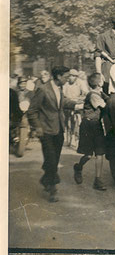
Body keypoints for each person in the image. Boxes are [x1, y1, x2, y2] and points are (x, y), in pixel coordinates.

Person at [27, 66, 82, 202]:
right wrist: (37, 127)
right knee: (51, 159)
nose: (68, 78)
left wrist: (79, 104)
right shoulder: (43, 89)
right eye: (66, 76)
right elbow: (32, 111)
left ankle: (46, 180)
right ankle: (52, 188)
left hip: (59, 129)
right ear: (58, 77)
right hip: (46, 130)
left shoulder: (60, 88)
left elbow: (62, 103)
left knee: (54, 159)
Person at [74, 73, 109, 191]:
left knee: (100, 152)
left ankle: (97, 180)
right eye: (102, 79)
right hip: (88, 125)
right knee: (88, 154)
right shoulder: (93, 95)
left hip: (96, 125)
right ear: (99, 83)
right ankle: (78, 167)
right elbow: (104, 106)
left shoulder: (99, 93)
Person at [63, 69, 88, 148]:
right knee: (67, 122)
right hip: (68, 104)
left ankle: (76, 138)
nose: (71, 78)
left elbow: (86, 93)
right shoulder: (65, 83)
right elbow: (63, 94)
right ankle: (68, 138)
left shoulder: (80, 82)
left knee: (78, 121)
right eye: (70, 76)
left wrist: (80, 99)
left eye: (73, 76)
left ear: (76, 77)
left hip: (78, 103)